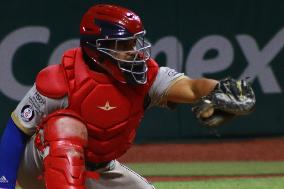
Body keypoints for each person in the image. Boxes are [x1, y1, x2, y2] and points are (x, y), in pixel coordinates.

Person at [0, 4, 255, 189]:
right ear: (97, 49)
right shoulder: (61, 79)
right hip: (40, 166)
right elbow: (16, 131)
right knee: (65, 126)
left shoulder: (146, 77)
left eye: (134, 43)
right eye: (123, 46)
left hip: (98, 168)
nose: (133, 52)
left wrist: (220, 89)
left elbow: (192, 87)